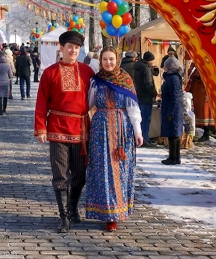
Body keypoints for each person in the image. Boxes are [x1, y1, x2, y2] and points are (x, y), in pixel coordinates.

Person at [34, 30, 96, 233]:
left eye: (76, 48)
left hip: (81, 129)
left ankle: (72, 207)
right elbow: (41, 101)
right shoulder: (50, 72)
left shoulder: (87, 72)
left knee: (80, 175)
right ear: (62, 48)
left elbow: (97, 97)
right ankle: (64, 216)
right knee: (60, 174)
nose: (73, 51)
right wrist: (40, 127)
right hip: (57, 128)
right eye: (70, 47)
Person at [86, 47, 143, 231]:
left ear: (117, 59)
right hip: (100, 130)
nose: (108, 63)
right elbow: (87, 105)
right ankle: (106, 213)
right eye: (105, 59)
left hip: (122, 131)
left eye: (111, 59)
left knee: (120, 170)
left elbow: (133, 109)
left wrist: (138, 131)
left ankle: (118, 212)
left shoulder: (126, 80)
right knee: (102, 170)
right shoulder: (95, 81)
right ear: (100, 61)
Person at [160, 56, 184, 165]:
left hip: (173, 109)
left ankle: (174, 158)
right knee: (173, 134)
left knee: (173, 134)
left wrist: (170, 112)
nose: (163, 68)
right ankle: (174, 157)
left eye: (165, 66)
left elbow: (175, 97)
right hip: (172, 108)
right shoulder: (171, 77)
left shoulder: (173, 78)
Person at [186, 60, 216, 142]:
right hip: (198, 93)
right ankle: (205, 133)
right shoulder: (195, 64)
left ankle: (207, 133)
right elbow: (190, 74)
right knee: (200, 112)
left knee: (205, 113)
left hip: (203, 93)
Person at [132, 51, 158, 146]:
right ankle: (145, 139)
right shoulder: (146, 69)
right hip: (146, 97)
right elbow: (148, 83)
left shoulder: (137, 67)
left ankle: (140, 138)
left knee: (140, 118)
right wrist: (154, 93)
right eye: (151, 60)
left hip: (139, 95)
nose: (152, 62)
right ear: (148, 60)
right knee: (146, 119)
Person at [0, 51, 13, 116]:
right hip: (6, 82)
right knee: (5, 96)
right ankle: (4, 110)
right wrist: (10, 78)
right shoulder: (7, 66)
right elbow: (11, 75)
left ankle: (0, 111)